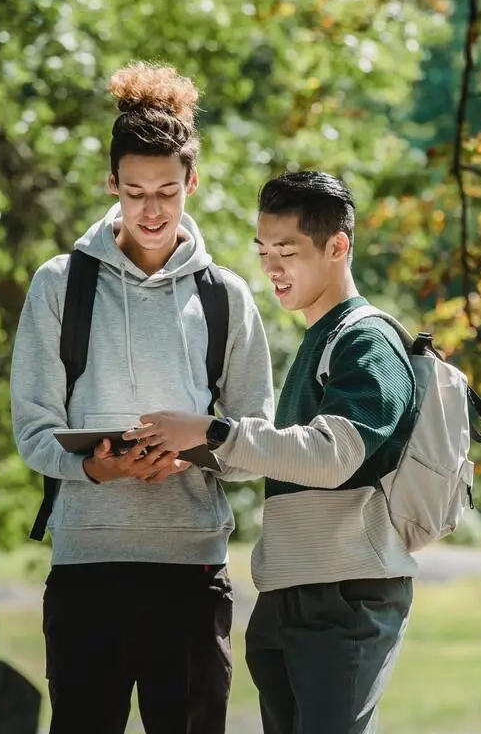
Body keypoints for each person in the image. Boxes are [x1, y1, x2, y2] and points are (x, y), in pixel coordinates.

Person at [9, 62, 275, 734]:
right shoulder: (59, 287)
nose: (151, 211)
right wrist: (100, 466)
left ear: (192, 182)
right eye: (134, 192)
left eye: (166, 191)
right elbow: (35, 431)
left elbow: (256, 438)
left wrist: (199, 446)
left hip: (191, 572)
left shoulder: (226, 297)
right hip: (86, 570)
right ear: (112, 186)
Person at [139, 170, 419, 734]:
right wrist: (186, 445)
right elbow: (283, 457)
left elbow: (334, 455)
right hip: (291, 591)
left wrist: (214, 430)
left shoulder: (367, 340)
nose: (270, 268)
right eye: (263, 251)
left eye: (286, 252)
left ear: (337, 246)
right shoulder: (320, 337)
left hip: (345, 596)